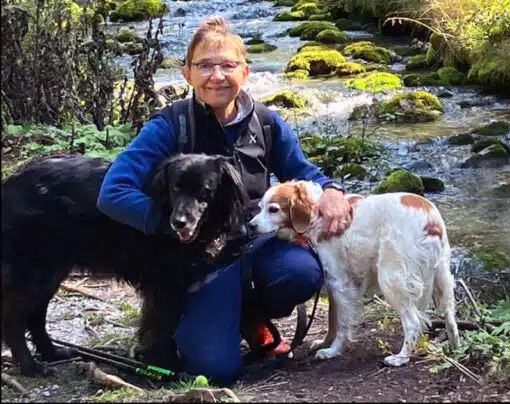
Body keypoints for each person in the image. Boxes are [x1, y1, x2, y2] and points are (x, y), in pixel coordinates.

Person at [96, 16, 352, 386]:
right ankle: (201, 319)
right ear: (187, 74)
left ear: (245, 72)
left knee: (302, 273)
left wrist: (332, 192)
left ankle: (250, 315)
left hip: (257, 241)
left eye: (227, 65)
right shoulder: (170, 126)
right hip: (199, 260)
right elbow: (113, 193)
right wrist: (169, 224)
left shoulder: (265, 122)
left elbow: (303, 170)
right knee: (214, 370)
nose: (217, 75)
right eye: (205, 66)